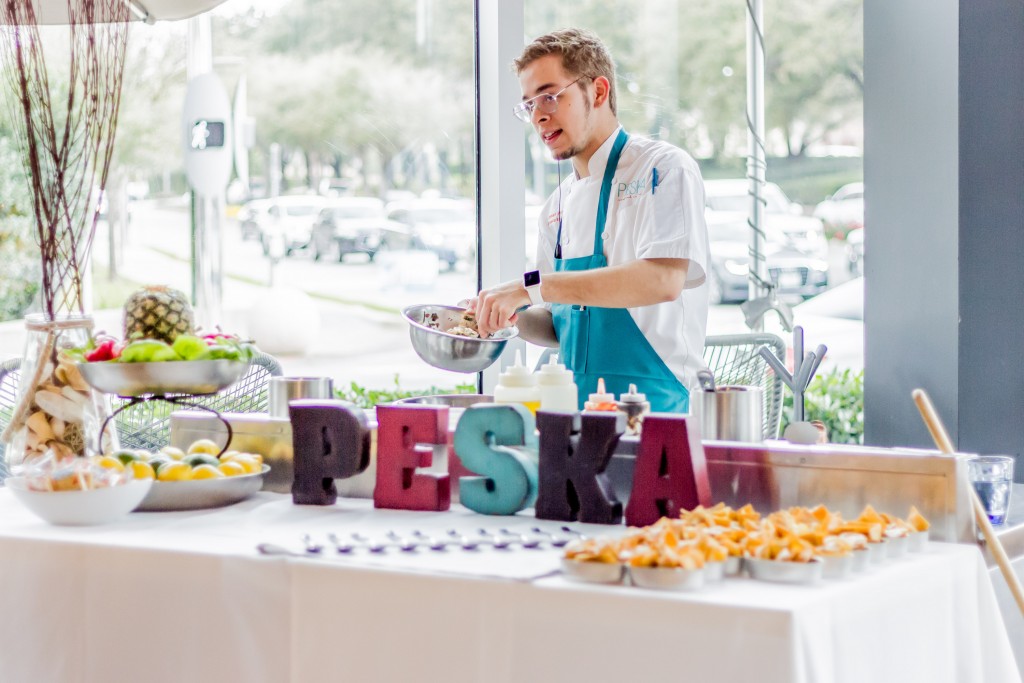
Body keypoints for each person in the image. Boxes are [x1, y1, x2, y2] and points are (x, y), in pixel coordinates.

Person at [470, 28, 710, 413]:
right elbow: (558, 325)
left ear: (598, 92)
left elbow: (663, 280)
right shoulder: (556, 206)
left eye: (549, 96)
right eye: (529, 105)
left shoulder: (663, 168)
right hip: (574, 414)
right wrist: (507, 317)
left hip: (656, 411)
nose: (539, 116)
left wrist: (529, 286)